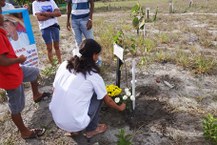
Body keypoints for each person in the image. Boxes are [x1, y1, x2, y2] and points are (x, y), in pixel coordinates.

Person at [49, 39, 126, 138]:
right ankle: (92, 130)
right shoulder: (92, 75)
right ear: (94, 55)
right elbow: (108, 101)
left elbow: (55, 89)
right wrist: (120, 108)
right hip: (75, 122)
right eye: (98, 55)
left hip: (57, 119)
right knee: (99, 95)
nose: (98, 57)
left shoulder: (64, 65)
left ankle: (73, 131)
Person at [0, 5, 50, 139]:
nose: (2, 15)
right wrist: (19, 59)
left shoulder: (3, 32)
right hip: (9, 76)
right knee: (16, 106)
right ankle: (24, 132)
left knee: (34, 72)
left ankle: (36, 95)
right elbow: (2, 60)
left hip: (15, 70)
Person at [32, 0, 62, 64]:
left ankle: (60, 63)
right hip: (44, 28)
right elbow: (39, 18)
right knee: (49, 48)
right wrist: (53, 14)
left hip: (54, 26)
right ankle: (53, 65)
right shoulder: (35, 3)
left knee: (57, 46)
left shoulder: (52, 1)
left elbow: (59, 13)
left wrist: (45, 14)